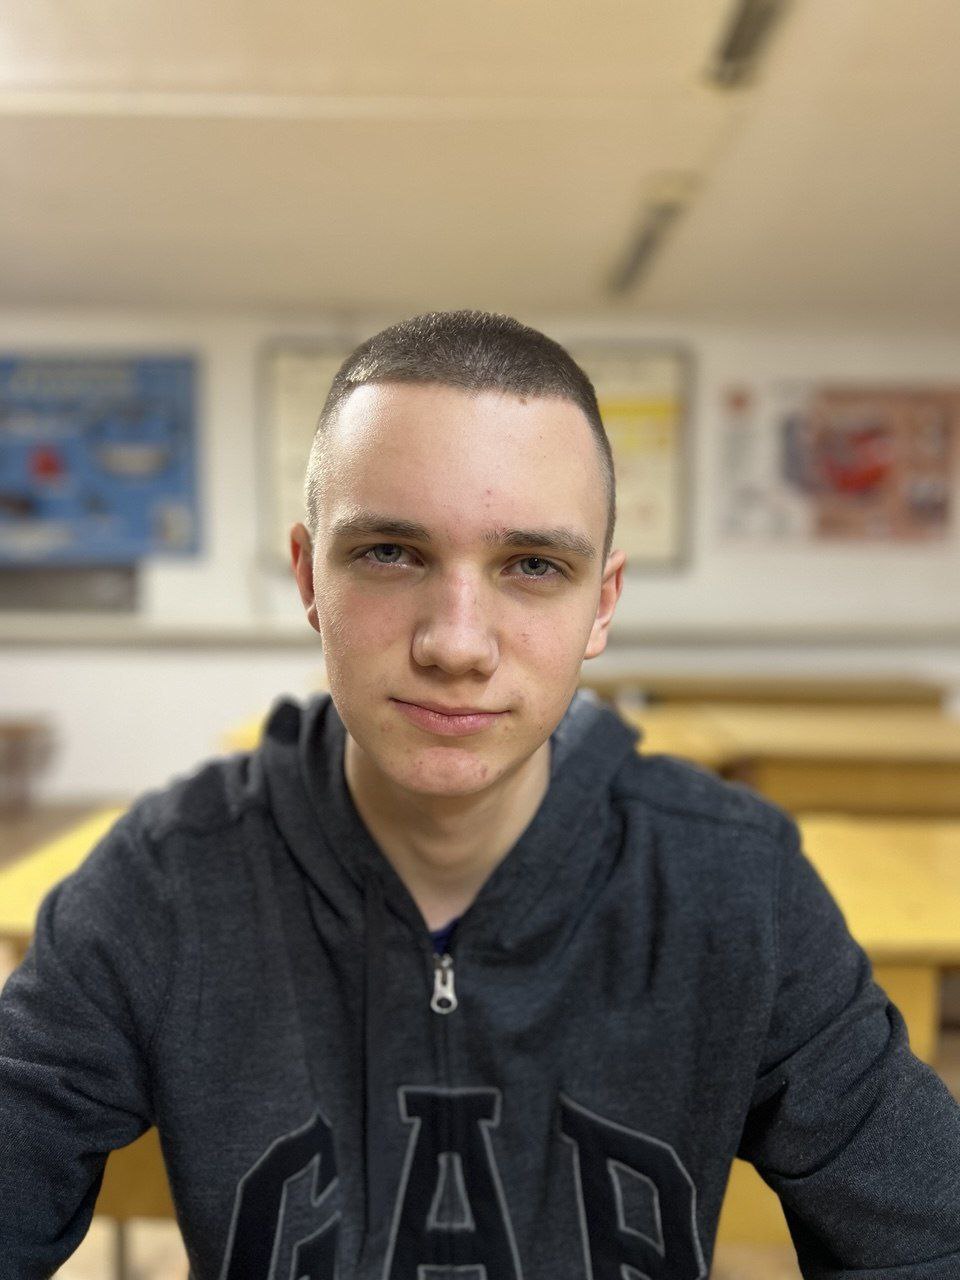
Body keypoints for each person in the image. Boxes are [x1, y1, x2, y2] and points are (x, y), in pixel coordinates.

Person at [1, 310, 959, 1280]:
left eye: (533, 566)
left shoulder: (734, 884)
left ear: (602, 604)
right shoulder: (162, 885)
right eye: (391, 552)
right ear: (308, 576)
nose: (456, 643)